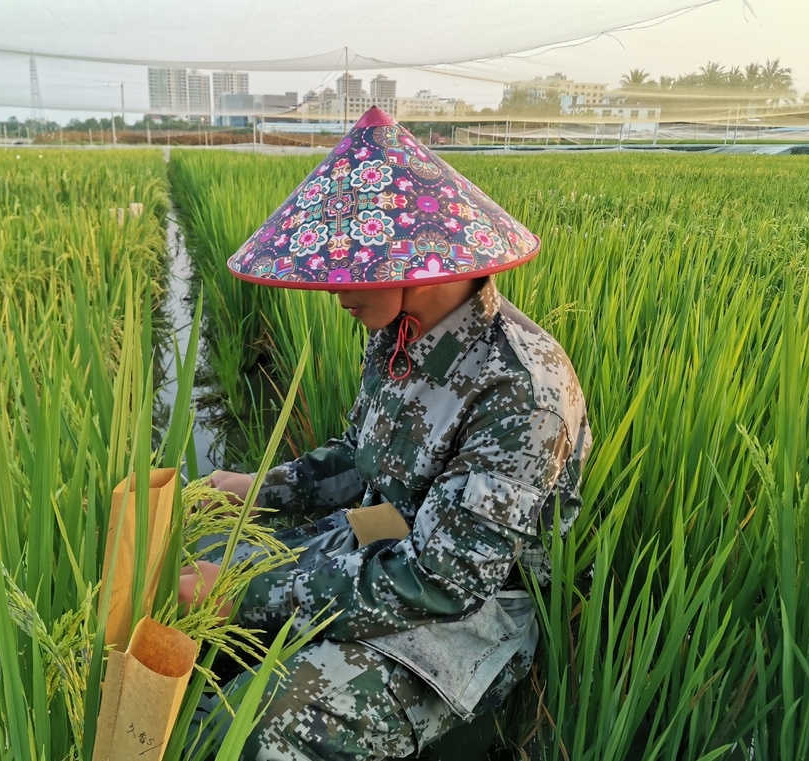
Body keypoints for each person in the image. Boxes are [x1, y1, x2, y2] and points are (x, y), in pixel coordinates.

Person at [178, 106, 591, 761]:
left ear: (418, 261)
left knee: (279, 725)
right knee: (205, 577)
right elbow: (358, 452)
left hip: (467, 612)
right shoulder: (397, 337)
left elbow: (440, 578)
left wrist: (245, 595)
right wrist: (260, 489)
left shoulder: (520, 387)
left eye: (352, 267)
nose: (335, 290)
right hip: (386, 534)